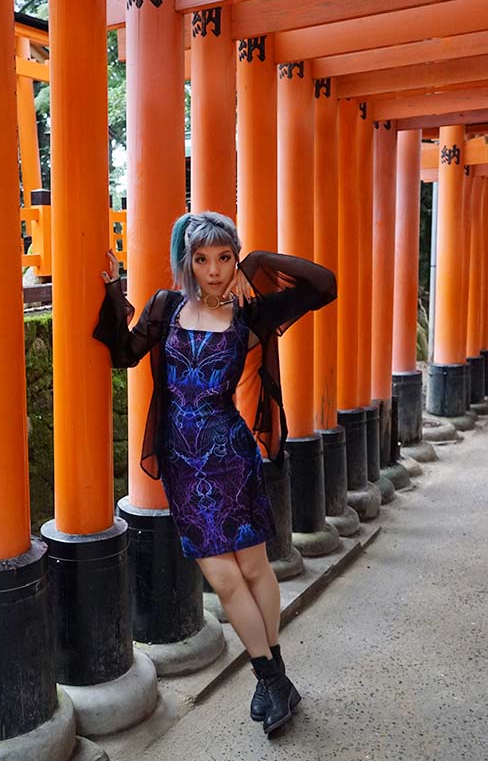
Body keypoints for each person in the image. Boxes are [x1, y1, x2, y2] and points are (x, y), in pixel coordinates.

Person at [94, 211, 336, 738]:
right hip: (183, 463)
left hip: (231, 456)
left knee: (252, 569)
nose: (215, 270)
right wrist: (114, 288)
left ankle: (271, 679)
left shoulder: (251, 313)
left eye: (224, 258)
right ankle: (273, 678)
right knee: (223, 576)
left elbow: (323, 284)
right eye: (202, 259)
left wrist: (257, 263)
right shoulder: (164, 307)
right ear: (188, 263)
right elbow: (122, 353)